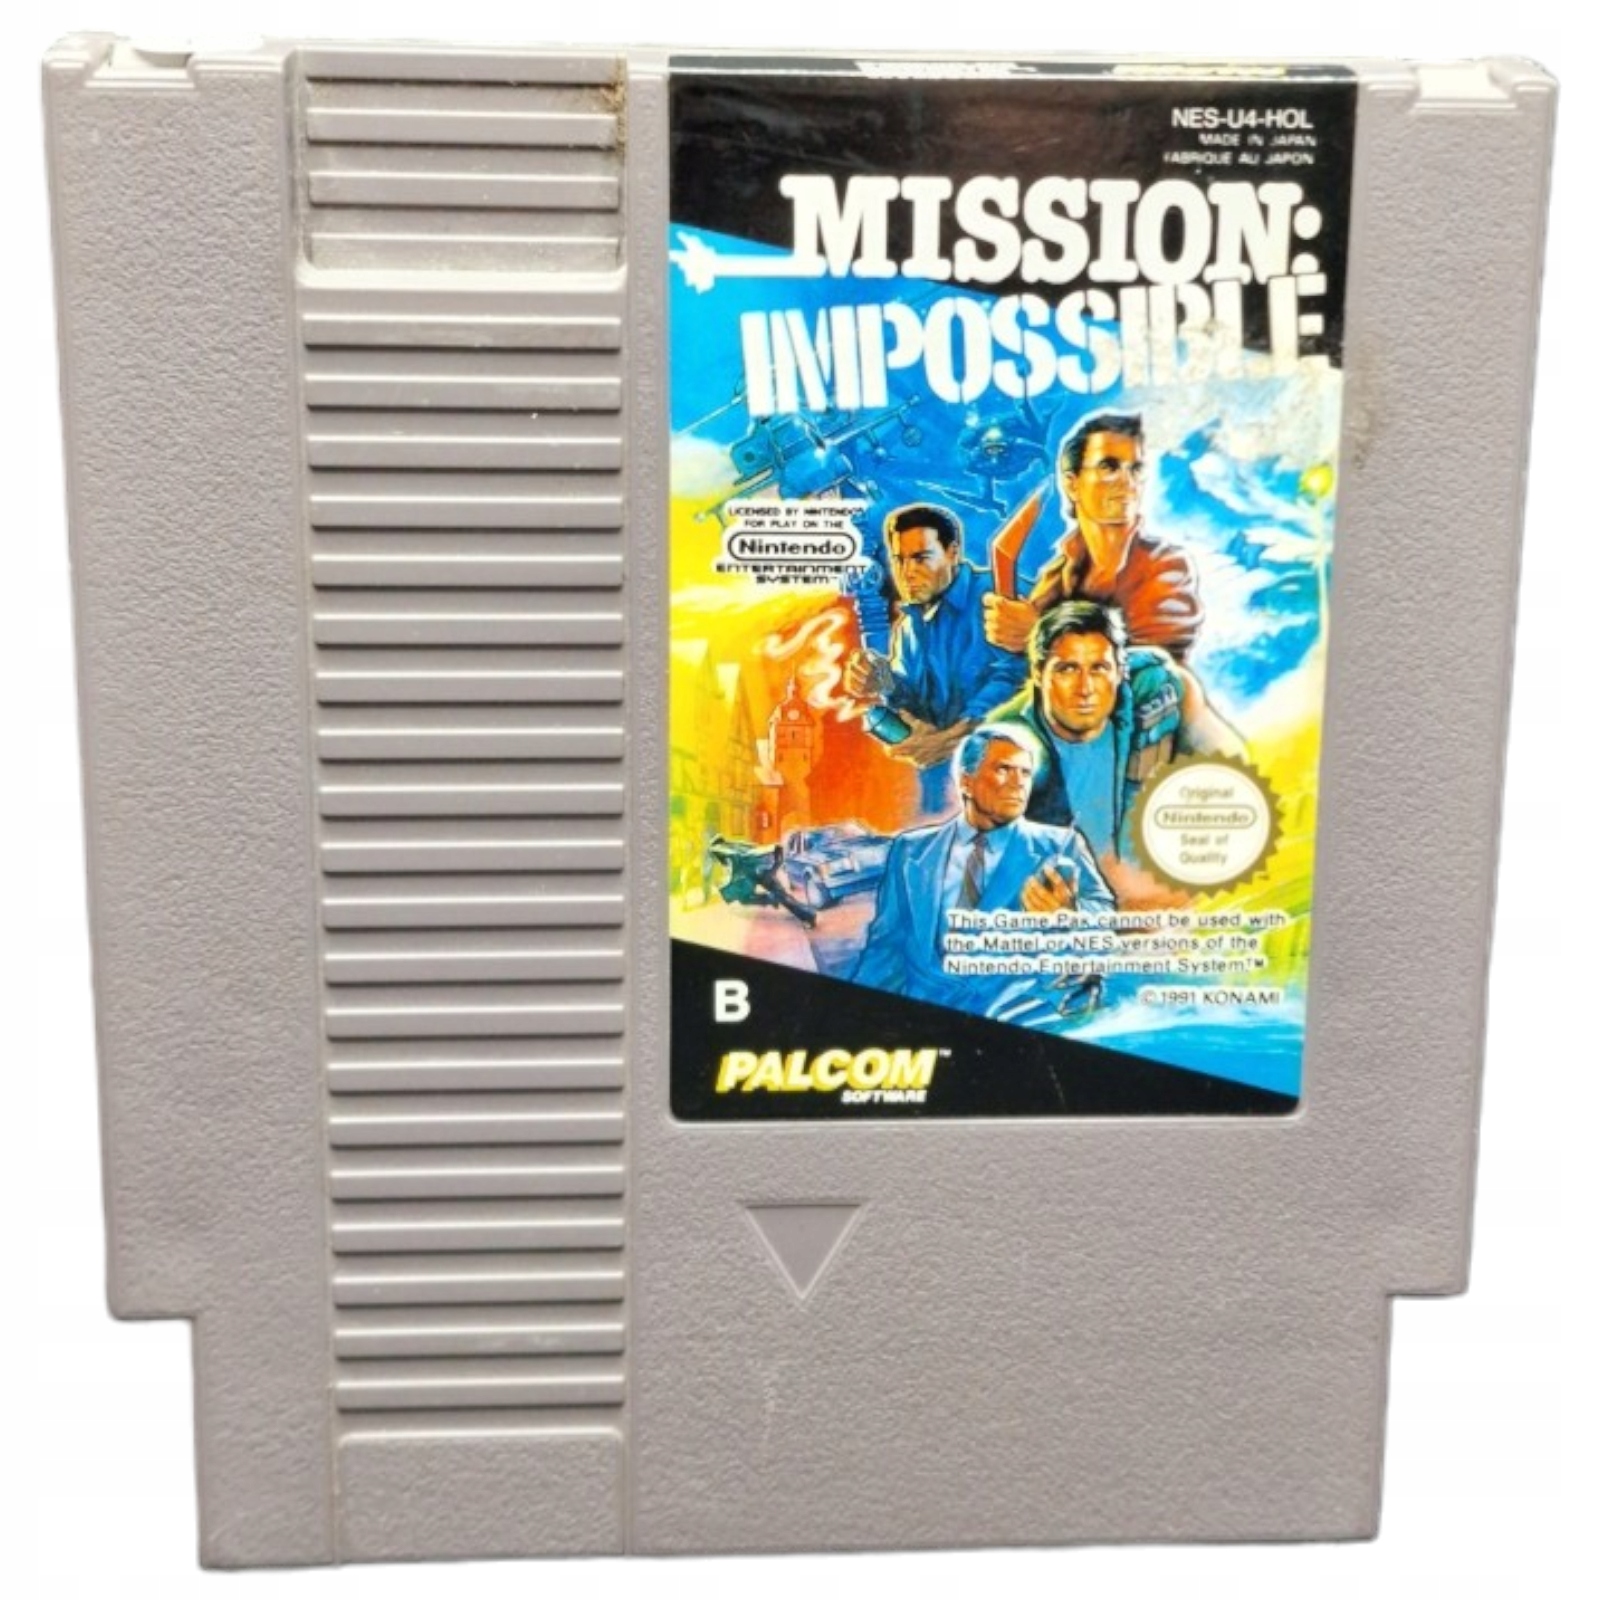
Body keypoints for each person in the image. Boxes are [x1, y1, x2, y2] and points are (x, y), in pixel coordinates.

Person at [849, 725, 1113, 1022]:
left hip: (1015, 1017)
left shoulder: (1060, 846)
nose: (1019, 783)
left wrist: (1071, 917)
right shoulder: (911, 850)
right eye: (1004, 769)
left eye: (1025, 773)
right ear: (966, 781)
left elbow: (1105, 919)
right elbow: (886, 948)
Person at [987, 601, 1243, 869]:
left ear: (1120, 672)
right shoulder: (1006, 741)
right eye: (1068, 669)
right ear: (1039, 674)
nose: (1085, 688)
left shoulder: (1154, 686)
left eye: (1098, 669)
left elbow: (1233, 768)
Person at [982, 411, 1203, 662]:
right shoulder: (1057, 577)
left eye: (1136, 469)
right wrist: (1012, 630)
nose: (1127, 481)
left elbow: (1153, 671)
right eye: (1109, 467)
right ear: (1072, 484)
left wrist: (1039, 634)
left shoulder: (1164, 567)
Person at [843, 502, 1028, 774]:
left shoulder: (999, 596)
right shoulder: (908, 629)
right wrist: (882, 680)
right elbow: (913, 701)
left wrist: (956, 738)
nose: (907, 572)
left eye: (921, 558)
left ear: (952, 553)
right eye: (899, 560)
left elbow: (1019, 676)